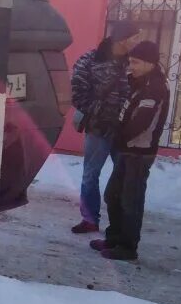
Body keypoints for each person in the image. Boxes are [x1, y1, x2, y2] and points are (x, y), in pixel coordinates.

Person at [90, 40, 171, 263]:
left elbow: (142, 123)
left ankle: (127, 247)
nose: (131, 65)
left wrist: (118, 136)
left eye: (135, 62)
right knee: (112, 195)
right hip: (126, 149)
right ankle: (114, 238)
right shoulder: (136, 82)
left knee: (131, 200)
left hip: (139, 152)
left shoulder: (154, 88)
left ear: (149, 63)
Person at [69, 21, 140, 233]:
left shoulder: (135, 63)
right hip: (99, 129)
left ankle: (120, 224)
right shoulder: (91, 60)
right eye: (134, 37)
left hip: (125, 131)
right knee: (90, 174)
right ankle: (90, 219)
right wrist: (97, 114)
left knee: (124, 177)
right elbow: (77, 92)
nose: (137, 42)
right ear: (122, 39)